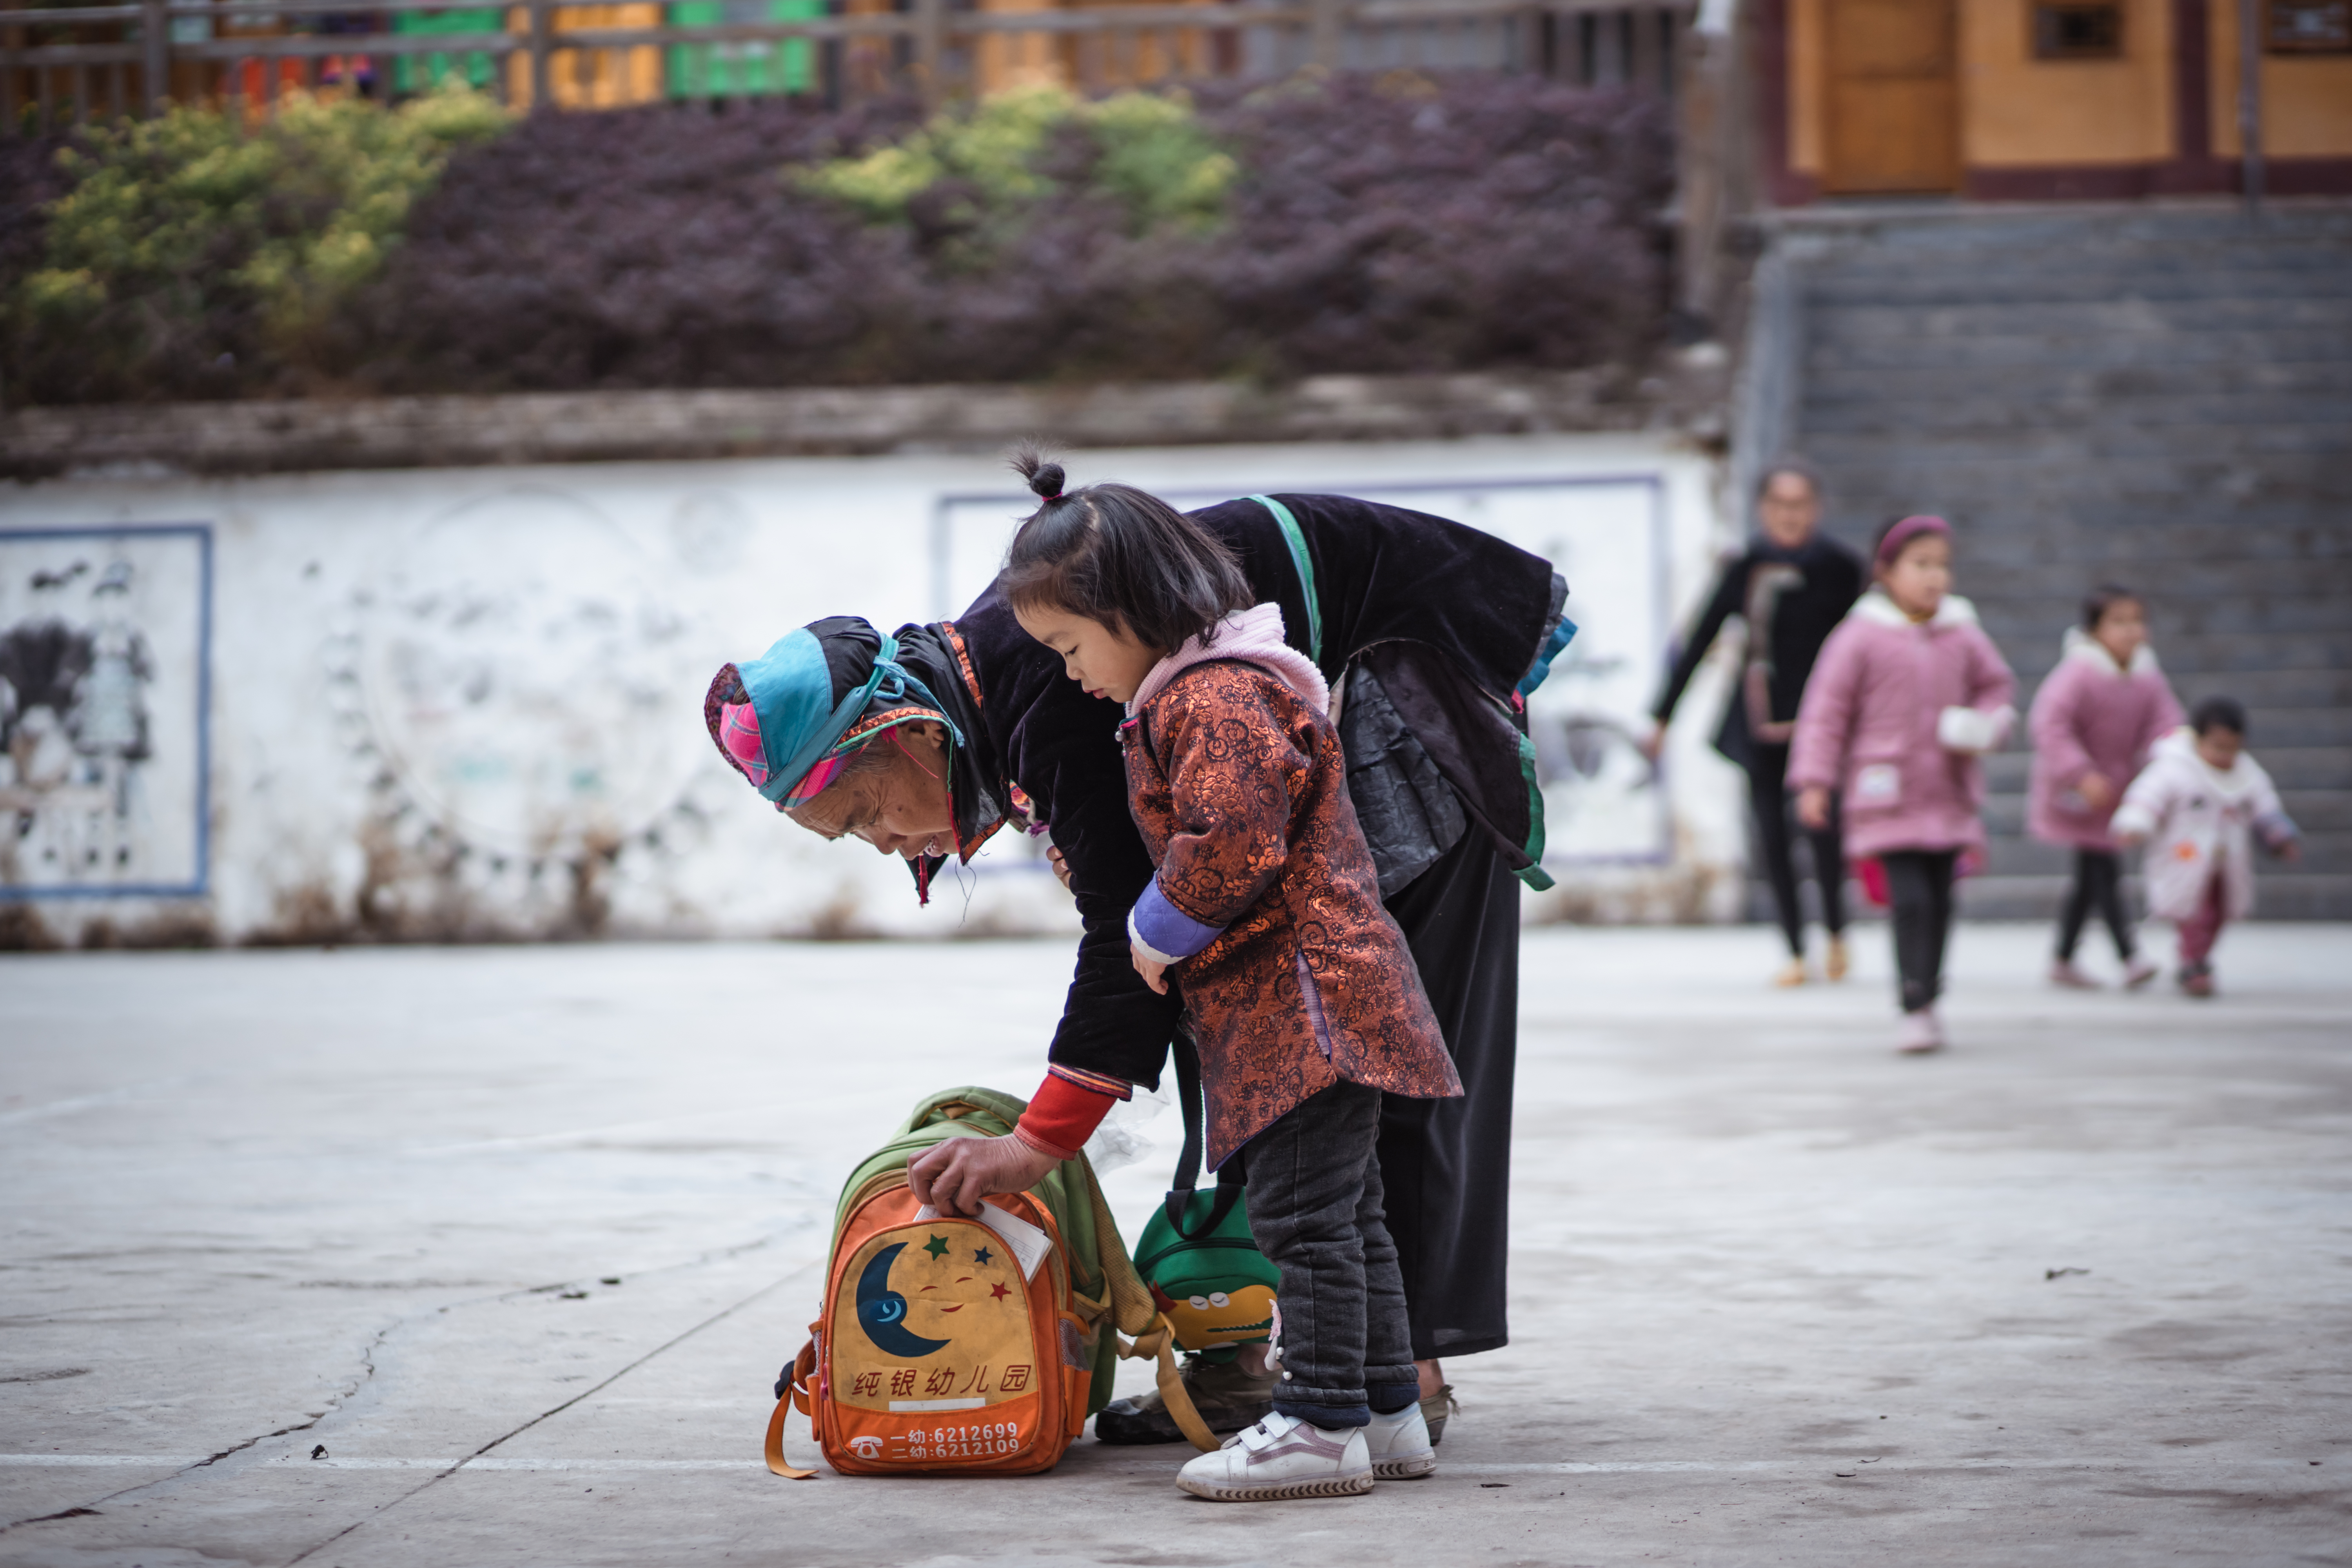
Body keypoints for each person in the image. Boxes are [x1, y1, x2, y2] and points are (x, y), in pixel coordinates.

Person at [703, 459, 1568, 1445]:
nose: (888, 845)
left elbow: (1133, 940)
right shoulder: (1025, 669)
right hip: (1295, 744)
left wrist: (1036, 1142)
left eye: (861, 814)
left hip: (1405, 693)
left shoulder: (1054, 697)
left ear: (900, 735)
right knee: (1252, 1036)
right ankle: (1291, 1360)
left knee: (1349, 1066)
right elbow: (1153, 942)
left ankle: (1382, 1382)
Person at [993, 452, 1462, 1500]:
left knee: (1301, 1222)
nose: (1069, 672)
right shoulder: (1219, 688)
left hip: (1307, 1007)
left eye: (1071, 645)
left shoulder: (1215, 698)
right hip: (1330, 1001)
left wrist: (1152, 935)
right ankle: (1387, 1411)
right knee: (1350, 1215)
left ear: (1133, 610)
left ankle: (1320, 1422)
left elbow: (1233, 839)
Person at [1788, 515, 2015, 1054]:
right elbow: (1826, 713)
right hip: (1884, 796)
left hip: (1947, 794)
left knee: (1940, 900)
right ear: (1886, 571)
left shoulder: (1963, 633)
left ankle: (1930, 996)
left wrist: (1986, 722)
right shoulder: (1859, 636)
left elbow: (1996, 686)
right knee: (1909, 899)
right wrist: (1815, 782)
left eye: (1942, 565)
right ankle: (1913, 1003)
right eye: (1921, 565)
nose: (1934, 577)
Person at [1646, 461, 1865, 987]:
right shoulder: (1746, 567)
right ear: (1763, 509)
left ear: (1816, 508)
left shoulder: (1840, 568)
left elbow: (1865, 649)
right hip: (1761, 723)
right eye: (1779, 505)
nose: (1789, 516)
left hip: (1822, 726)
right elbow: (1701, 638)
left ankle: (1835, 933)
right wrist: (1662, 715)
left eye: (1800, 504)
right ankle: (1794, 950)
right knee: (1773, 838)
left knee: (1825, 834)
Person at [2025, 585, 2182, 990]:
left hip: (2117, 793)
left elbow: (2165, 723)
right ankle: (2129, 955)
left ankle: (2062, 957)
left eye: (2137, 621)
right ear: (2094, 630)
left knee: (2090, 875)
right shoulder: (2078, 673)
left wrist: (2169, 757)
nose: (2131, 631)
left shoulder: (2147, 676)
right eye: (2119, 622)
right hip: (2079, 794)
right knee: (2102, 869)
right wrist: (2081, 773)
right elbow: (2049, 724)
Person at [2111, 698, 2301, 998]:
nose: (2226, 756)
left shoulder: (2247, 774)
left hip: (2228, 860)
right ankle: (2193, 963)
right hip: (2186, 857)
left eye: (2233, 748)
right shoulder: (2175, 768)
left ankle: (2198, 958)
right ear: (2197, 739)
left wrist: (2279, 837)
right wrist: (2135, 824)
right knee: (2195, 912)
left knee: (2220, 912)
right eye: (2218, 747)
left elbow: (2265, 808)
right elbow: (2148, 796)